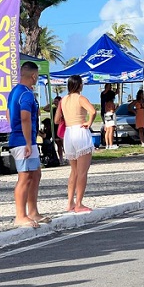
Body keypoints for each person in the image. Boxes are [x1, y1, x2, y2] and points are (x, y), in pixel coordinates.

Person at [7, 61, 49, 228]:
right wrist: (28, 141)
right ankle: (20, 215)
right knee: (25, 177)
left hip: (24, 137)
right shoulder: (26, 94)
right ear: (33, 76)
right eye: (36, 76)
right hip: (23, 141)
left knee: (35, 174)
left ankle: (33, 211)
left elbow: (9, 113)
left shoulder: (15, 91)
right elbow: (25, 117)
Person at [55, 74, 97, 212]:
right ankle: (79, 203)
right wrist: (89, 122)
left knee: (73, 171)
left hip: (68, 133)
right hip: (80, 130)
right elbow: (93, 111)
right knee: (82, 171)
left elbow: (56, 120)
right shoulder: (80, 98)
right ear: (79, 85)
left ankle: (70, 203)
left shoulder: (63, 100)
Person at [43, 95, 65, 164]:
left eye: (56, 101)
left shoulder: (63, 109)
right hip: (55, 128)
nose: (55, 102)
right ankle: (61, 159)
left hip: (62, 127)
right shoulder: (53, 109)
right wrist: (52, 102)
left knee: (64, 143)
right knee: (58, 144)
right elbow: (45, 108)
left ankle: (68, 157)